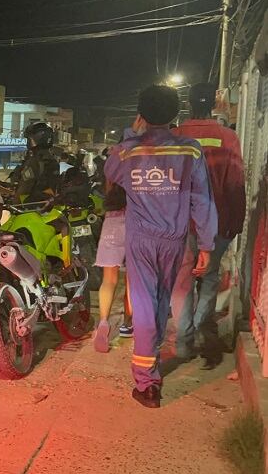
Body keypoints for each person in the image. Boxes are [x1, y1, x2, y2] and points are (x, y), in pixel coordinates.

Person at [105, 84, 216, 408]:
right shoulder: (190, 150)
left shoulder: (128, 150)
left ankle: (147, 383)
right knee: (159, 305)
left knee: (143, 306)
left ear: (141, 114)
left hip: (141, 240)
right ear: (175, 114)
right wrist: (207, 244)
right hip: (174, 241)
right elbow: (202, 201)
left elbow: (110, 171)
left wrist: (131, 133)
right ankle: (150, 368)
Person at [171, 82, 246, 370]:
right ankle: (203, 334)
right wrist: (235, 222)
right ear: (214, 106)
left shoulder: (175, 137)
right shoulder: (227, 137)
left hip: (180, 224)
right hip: (218, 223)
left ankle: (182, 343)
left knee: (182, 282)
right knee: (210, 279)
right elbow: (236, 182)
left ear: (188, 104)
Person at [92, 181, 134, 353]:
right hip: (135, 221)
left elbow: (109, 189)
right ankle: (127, 323)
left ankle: (103, 322)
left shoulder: (114, 162)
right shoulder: (141, 162)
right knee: (133, 279)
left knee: (108, 279)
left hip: (111, 221)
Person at [14, 123, 60, 202]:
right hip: (45, 206)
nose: (27, 142)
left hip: (30, 207)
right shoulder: (52, 160)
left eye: (29, 139)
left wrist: (14, 202)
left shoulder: (36, 161)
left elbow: (25, 186)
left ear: (37, 138)